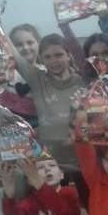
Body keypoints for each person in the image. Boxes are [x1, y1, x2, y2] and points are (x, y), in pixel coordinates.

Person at [12, 34, 83, 171]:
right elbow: (15, 56)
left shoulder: (82, 82)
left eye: (59, 55)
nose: (54, 61)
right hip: (49, 164)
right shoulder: (37, 79)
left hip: (81, 161)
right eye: (47, 57)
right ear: (41, 59)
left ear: (69, 56)